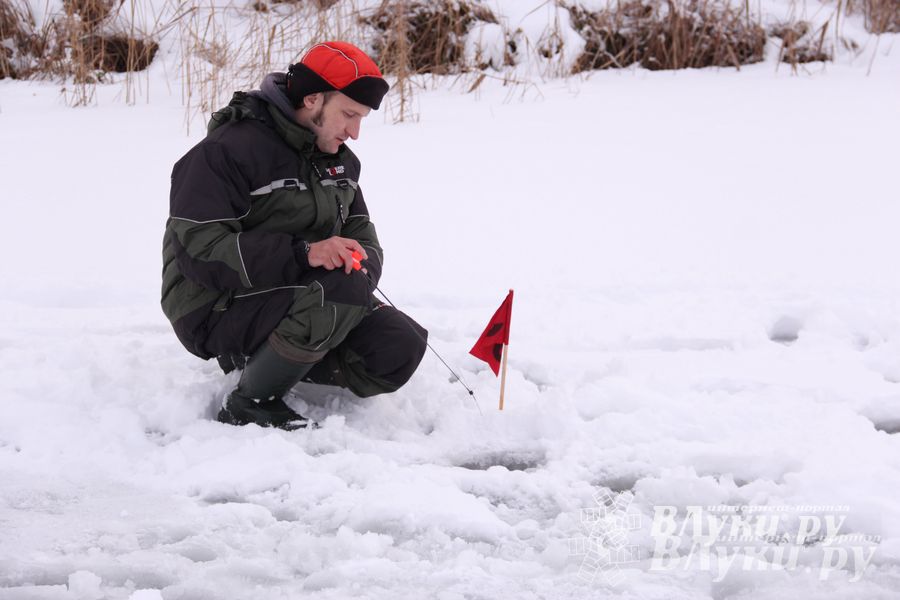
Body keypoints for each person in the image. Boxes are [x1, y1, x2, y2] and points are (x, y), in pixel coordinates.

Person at [161, 41, 427, 430]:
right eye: (349, 115)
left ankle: (273, 360)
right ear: (313, 98)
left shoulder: (339, 162)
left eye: (362, 119)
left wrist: (359, 266)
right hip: (210, 305)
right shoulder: (226, 151)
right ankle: (251, 400)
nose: (354, 132)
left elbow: (363, 235)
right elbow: (200, 250)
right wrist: (305, 255)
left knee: (399, 345)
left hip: (302, 294)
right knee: (337, 292)